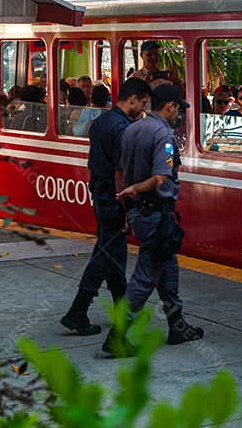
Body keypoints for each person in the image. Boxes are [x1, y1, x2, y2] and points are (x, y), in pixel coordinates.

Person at [102, 83, 203, 356]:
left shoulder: (132, 129)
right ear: (170, 106)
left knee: (167, 267)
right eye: (178, 108)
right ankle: (117, 335)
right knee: (146, 276)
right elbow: (161, 178)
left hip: (139, 212)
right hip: (157, 212)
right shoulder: (164, 134)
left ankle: (177, 323)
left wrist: (127, 209)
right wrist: (138, 189)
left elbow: (120, 175)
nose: (178, 113)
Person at [60, 77, 152, 336]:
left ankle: (121, 313)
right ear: (133, 99)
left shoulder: (100, 121)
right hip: (113, 197)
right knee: (105, 254)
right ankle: (77, 311)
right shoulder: (123, 128)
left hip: (99, 194)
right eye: (143, 103)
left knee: (115, 254)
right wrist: (127, 208)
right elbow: (120, 173)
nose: (143, 109)